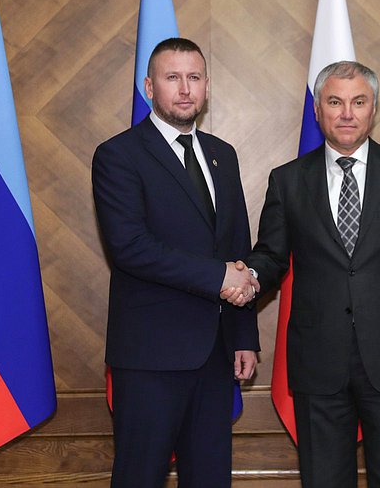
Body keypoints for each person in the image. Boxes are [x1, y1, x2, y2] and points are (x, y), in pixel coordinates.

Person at [245, 61, 380, 488]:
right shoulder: (287, 180)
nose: (347, 113)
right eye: (335, 102)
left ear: (373, 108)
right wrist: (245, 275)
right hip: (318, 359)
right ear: (318, 111)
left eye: (358, 102)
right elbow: (271, 257)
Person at [92, 37, 260, 488]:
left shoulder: (223, 154)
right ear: (150, 87)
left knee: (209, 479)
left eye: (194, 78)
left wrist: (244, 335)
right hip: (151, 356)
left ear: (206, 87)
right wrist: (218, 276)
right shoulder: (118, 155)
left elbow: (237, 249)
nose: (185, 89)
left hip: (216, 355)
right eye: (172, 78)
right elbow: (130, 247)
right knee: (140, 477)